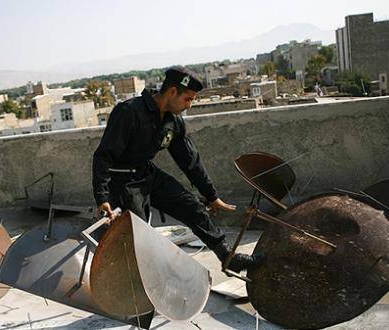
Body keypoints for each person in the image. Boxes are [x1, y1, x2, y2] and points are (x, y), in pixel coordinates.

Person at [92, 66, 264, 273]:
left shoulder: (173, 121)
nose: (189, 105)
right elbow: (104, 155)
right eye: (188, 99)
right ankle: (139, 289)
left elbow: (189, 160)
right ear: (172, 92)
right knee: (138, 238)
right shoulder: (129, 112)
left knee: (191, 207)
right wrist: (102, 197)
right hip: (121, 182)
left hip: (147, 174)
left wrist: (211, 196)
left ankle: (227, 257)